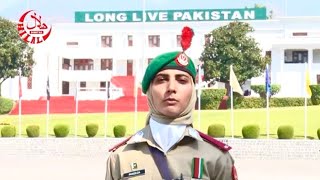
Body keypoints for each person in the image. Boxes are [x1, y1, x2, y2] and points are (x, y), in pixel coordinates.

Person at [105, 27, 237, 180]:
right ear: (149, 91)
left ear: (193, 91)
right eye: (161, 80)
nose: (171, 88)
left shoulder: (216, 157)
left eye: (182, 80)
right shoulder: (121, 157)